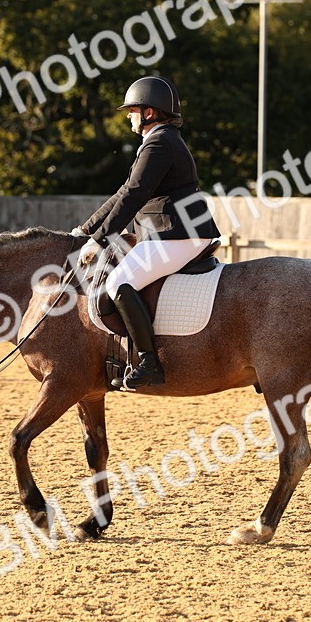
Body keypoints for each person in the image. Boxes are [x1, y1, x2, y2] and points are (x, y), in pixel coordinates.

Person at [73, 76, 222, 391]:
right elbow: (125, 191)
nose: (128, 115)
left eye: (133, 110)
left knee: (118, 282)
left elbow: (133, 196)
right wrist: (87, 229)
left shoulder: (159, 142)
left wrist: (100, 241)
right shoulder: (161, 140)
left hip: (176, 234)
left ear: (150, 113)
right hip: (176, 232)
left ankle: (149, 363)